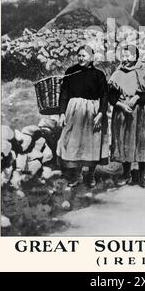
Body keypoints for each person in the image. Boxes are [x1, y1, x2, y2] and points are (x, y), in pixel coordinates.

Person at [57, 44, 108, 188]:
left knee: (91, 143)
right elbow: (64, 93)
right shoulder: (71, 72)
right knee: (72, 142)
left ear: (91, 57)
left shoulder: (99, 75)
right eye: (79, 55)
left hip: (92, 111)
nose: (80, 58)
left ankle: (90, 174)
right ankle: (76, 175)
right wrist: (61, 113)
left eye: (83, 56)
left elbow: (104, 95)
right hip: (73, 111)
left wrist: (101, 113)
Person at [108, 45, 145, 188]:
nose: (125, 58)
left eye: (128, 55)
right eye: (123, 55)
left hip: (141, 111)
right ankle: (126, 173)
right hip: (124, 112)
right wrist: (121, 105)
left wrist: (136, 98)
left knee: (142, 142)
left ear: (135, 57)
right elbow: (111, 95)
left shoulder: (143, 70)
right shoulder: (118, 72)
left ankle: (142, 175)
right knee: (124, 142)